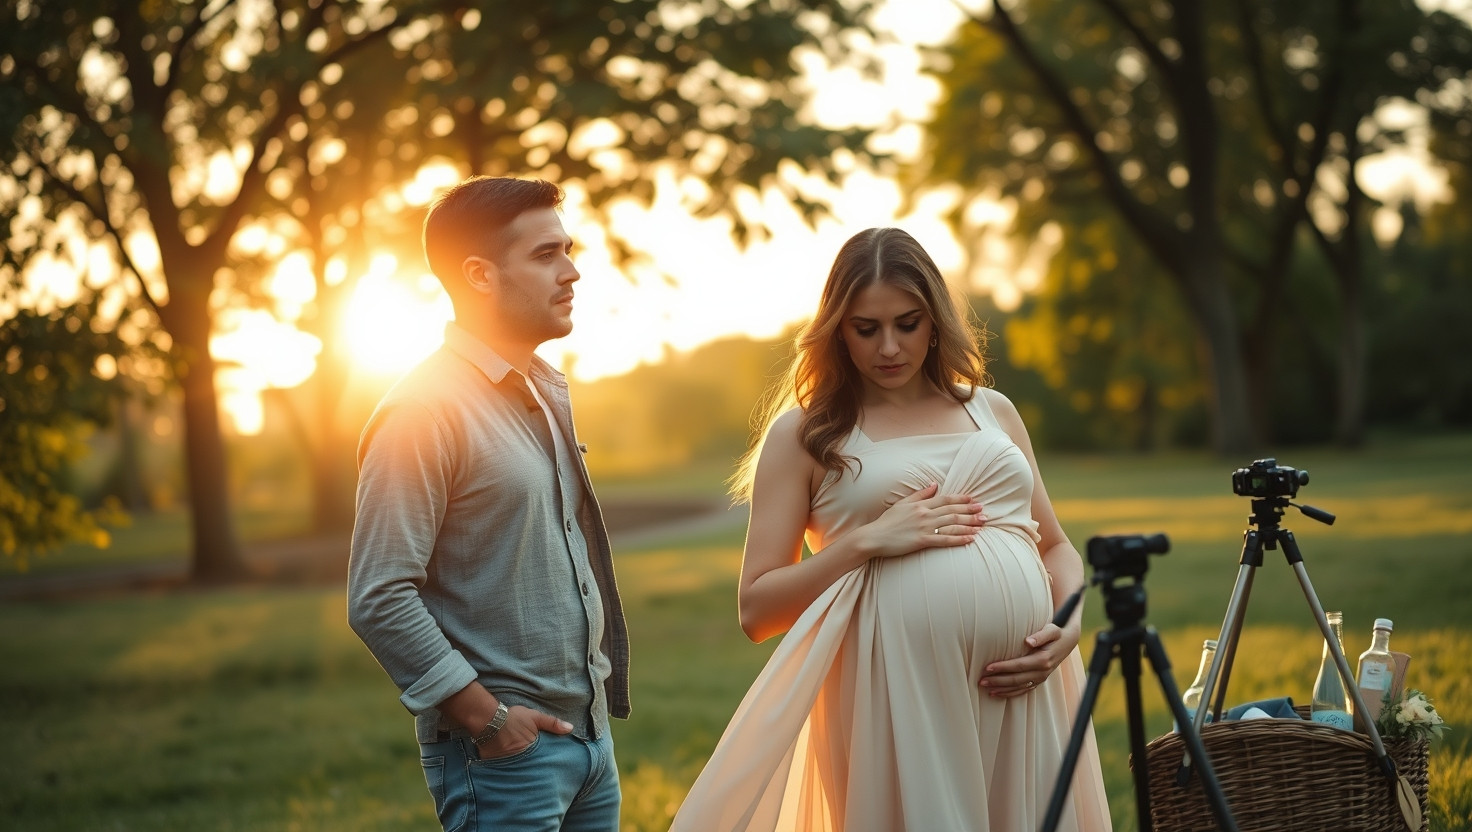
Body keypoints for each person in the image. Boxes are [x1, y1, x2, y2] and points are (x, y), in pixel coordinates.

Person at [670, 227, 1112, 831]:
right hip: (892, 702)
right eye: (865, 328)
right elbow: (757, 611)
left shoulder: (991, 409)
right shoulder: (805, 435)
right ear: (835, 328)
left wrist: (1067, 624)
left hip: (1024, 690)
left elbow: (1055, 545)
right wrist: (866, 542)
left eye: (907, 323)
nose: (888, 348)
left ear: (935, 321)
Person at [347, 176, 629, 832]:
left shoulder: (542, 391)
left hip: (587, 747)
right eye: (546, 255)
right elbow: (379, 595)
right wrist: (490, 721)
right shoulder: (424, 410)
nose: (572, 272)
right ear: (479, 275)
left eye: (568, 249)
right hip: (502, 756)